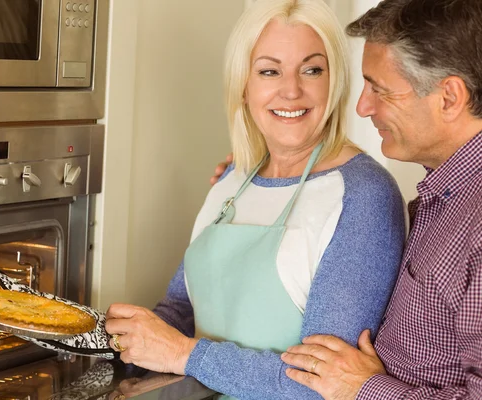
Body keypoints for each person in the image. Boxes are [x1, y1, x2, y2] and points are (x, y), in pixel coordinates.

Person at [105, 0, 406, 399]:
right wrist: (112, 340)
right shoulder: (234, 178)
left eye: (312, 70)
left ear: (334, 83)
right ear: (243, 86)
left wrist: (183, 354)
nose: (292, 90)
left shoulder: (364, 196)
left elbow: (317, 386)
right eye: (269, 71)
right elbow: (180, 308)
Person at [263, 0, 482, 398]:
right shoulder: (446, 194)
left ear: (449, 97)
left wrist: (365, 390)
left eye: (379, 89)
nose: (363, 107)